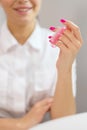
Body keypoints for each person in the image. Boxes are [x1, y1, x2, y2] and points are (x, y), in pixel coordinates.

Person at [0, 0, 83, 130]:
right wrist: (20, 124)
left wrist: (64, 68)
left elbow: (64, 120)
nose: (23, 0)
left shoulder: (60, 47)